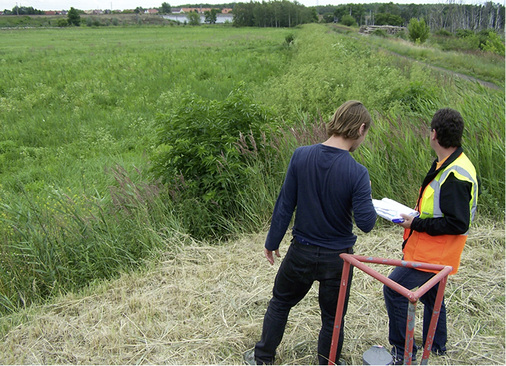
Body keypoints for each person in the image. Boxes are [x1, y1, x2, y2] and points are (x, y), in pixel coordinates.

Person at [245, 100, 377, 365]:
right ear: (361, 128)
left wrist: (272, 242)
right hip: (338, 260)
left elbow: (285, 205)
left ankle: (262, 357)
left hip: (301, 253)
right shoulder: (358, 173)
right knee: (333, 319)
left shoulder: (301, 156)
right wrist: (369, 198)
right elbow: (366, 223)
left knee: (280, 303)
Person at [383, 108, 479, 364]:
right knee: (432, 297)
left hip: (435, 253)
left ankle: (404, 353)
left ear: (434, 134)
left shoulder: (455, 174)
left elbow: (457, 223)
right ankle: (436, 347)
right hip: (431, 248)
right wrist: (415, 218)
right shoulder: (449, 164)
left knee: (394, 290)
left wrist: (417, 222)